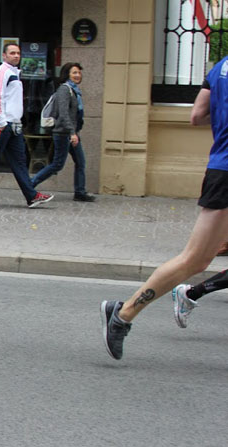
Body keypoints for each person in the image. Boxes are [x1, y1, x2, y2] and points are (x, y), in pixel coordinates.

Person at [100, 55, 228, 360]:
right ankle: (123, 313)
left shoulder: (219, 66)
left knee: (196, 261)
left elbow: (196, 114)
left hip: (221, 167)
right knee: (194, 260)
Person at [0, 43, 53, 210]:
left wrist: (15, 122)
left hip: (13, 124)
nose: (16, 55)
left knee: (20, 162)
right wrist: (1, 122)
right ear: (4, 56)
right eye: (12, 53)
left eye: (18, 53)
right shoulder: (2, 72)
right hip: (3, 124)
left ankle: (31, 196)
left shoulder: (14, 73)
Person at [31, 62, 96, 202]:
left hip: (72, 133)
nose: (78, 75)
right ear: (67, 75)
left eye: (79, 72)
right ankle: (30, 185)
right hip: (63, 133)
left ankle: (80, 192)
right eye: (74, 73)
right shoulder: (64, 90)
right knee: (57, 164)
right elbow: (64, 113)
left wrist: (74, 132)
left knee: (80, 162)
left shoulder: (75, 91)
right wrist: (72, 133)